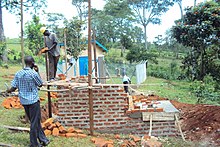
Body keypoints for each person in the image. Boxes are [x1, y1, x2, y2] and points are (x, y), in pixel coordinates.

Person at [6, 56, 50, 147]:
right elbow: (40, 84)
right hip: (33, 101)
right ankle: (34, 144)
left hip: (24, 101)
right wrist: (37, 71)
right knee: (34, 123)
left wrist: (8, 91)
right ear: (32, 63)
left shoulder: (18, 73)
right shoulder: (33, 73)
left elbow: (13, 87)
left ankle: (43, 139)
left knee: (35, 121)